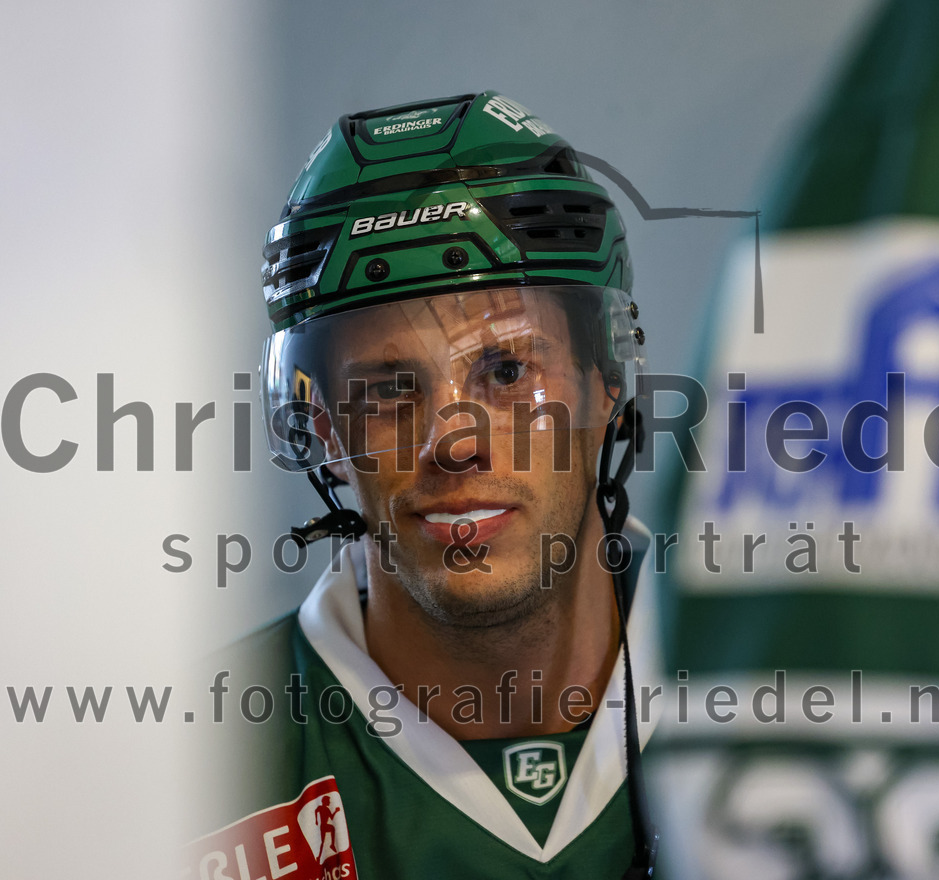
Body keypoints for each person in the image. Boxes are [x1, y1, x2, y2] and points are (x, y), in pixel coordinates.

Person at [185, 90, 660, 880]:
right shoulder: (191, 761)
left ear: (605, 383)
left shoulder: (776, 672)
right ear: (324, 432)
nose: (454, 441)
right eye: (388, 391)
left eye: (508, 370)